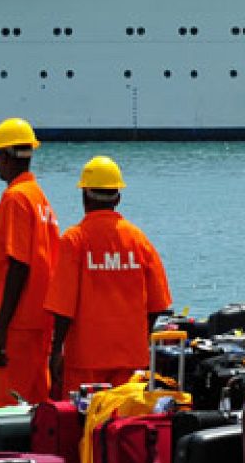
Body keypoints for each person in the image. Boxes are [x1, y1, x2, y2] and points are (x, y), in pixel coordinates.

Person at [45, 156, 171, 400]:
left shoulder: (74, 240)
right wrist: (138, 337)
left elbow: (63, 308)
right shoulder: (138, 240)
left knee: (83, 426)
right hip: (130, 361)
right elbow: (158, 304)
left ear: (84, 196)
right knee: (123, 429)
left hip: (85, 361)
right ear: (118, 197)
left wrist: (56, 350)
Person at [0, 117, 61, 407]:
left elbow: (19, 264)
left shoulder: (15, 198)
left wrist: (0, 331)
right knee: (33, 407)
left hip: (17, 326)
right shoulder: (40, 199)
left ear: (5, 156)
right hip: (40, 324)